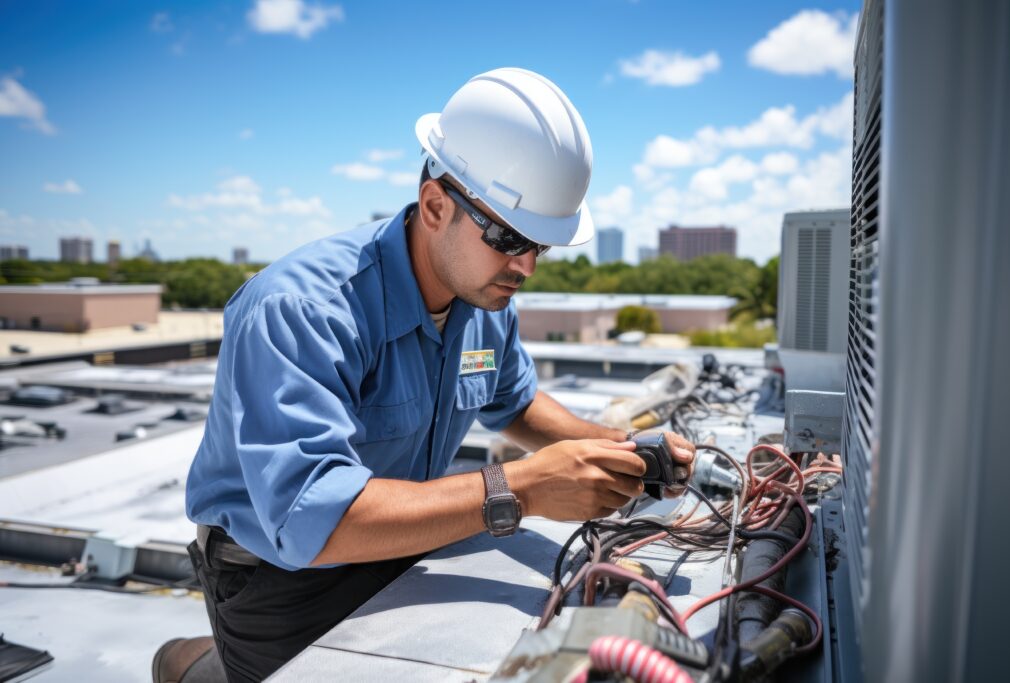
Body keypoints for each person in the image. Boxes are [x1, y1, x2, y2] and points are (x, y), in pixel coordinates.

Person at [154, 67, 695, 683]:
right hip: (278, 577)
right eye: (509, 237)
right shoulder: (303, 310)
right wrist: (523, 488)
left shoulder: (484, 298)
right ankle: (194, 665)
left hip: (405, 540)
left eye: (539, 247)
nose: (525, 267)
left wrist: (619, 454)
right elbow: (313, 520)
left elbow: (514, 404)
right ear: (437, 204)